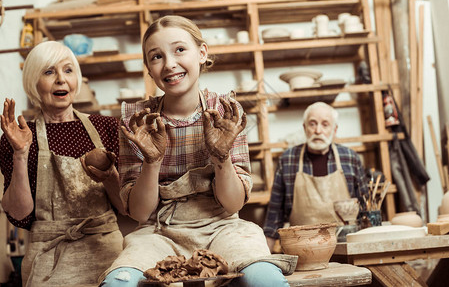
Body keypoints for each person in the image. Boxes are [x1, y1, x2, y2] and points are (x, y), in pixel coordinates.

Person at [99, 15, 296, 287]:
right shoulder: (138, 121)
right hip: (159, 234)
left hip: (223, 229)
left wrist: (221, 157)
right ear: (149, 68)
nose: (169, 64)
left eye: (180, 49)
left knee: (264, 279)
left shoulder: (226, 113)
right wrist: (152, 162)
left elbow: (234, 204)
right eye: (156, 57)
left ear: (202, 53)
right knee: (118, 282)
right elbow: (140, 213)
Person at [0, 41, 125, 286]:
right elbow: (19, 213)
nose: (61, 79)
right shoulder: (19, 136)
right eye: (49, 72)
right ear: (33, 82)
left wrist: (110, 176)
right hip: (48, 257)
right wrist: (20, 154)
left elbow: (126, 207)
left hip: (106, 249)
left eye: (68, 70)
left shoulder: (107, 128)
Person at [263, 101, 368, 252]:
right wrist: (265, 258)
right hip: (302, 251)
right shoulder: (288, 159)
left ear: (334, 129)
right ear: (304, 128)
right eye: (312, 124)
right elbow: (274, 217)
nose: (318, 130)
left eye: (325, 124)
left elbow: (366, 211)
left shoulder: (350, 158)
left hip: (346, 249)